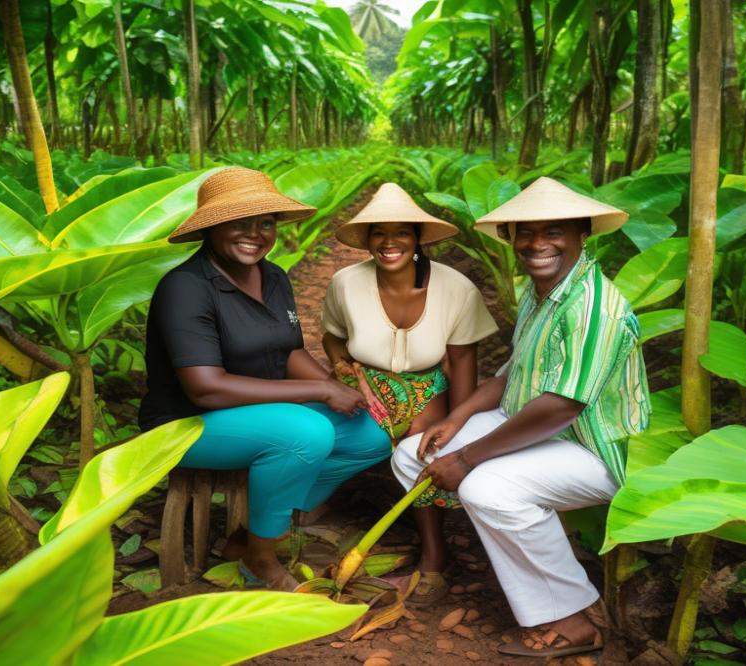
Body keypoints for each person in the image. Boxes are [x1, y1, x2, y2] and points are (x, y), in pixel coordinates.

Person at [391, 177, 651, 657]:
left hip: (595, 447)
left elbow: (562, 406)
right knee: (413, 454)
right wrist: (455, 421)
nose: (537, 244)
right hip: (539, 426)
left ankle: (574, 620)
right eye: (524, 233)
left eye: (553, 231)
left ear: (581, 235)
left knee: (486, 488)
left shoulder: (594, 307)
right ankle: (514, 548)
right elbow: (513, 374)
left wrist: (468, 459)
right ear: (511, 239)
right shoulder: (541, 290)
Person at [139, 167, 391, 592]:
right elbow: (206, 387)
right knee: (303, 431)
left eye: (265, 223)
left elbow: (289, 351)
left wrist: (339, 386)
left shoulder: (272, 276)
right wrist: (320, 390)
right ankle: (261, 558)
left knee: (370, 436)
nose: (254, 234)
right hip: (185, 425)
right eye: (239, 223)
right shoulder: (185, 288)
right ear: (211, 227)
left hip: (256, 414)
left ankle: (253, 534)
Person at [321, 182, 498, 602]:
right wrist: (340, 364)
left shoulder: (455, 289)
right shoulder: (345, 283)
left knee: (421, 447)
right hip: (366, 381)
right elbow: (331, 336)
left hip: (424, 384)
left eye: (401, 232)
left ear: (417, 239)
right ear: (367, 240)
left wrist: (460, 425)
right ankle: (318, 511)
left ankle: (434, 555)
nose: (389, 242)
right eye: (379, 233)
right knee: (327, 436)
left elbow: (460, 363)